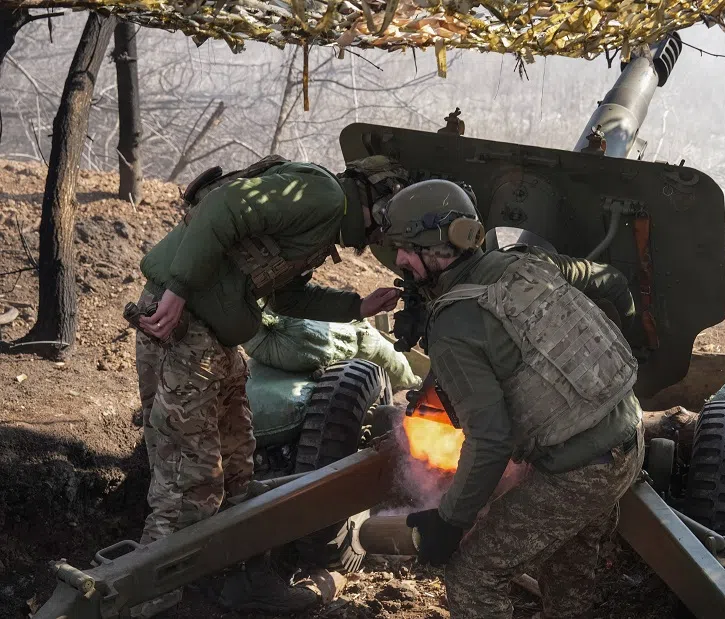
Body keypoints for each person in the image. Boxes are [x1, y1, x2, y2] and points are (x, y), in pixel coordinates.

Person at [129, 154, 408, 615]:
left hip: (215, 339)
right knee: (188, 488)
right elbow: (223, 208)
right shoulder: (321, 194)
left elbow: (284, 292)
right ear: (376, 201)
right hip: (183, 327)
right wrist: (177, 291)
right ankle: (149, 603)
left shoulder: (322, 223)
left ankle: (246, 583)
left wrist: (357, 307)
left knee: (238, 475)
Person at [378, 178, 645, 619]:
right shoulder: (526, 262)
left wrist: (448, 523)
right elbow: (609, 281)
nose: (399, 260)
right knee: (568, 566)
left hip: (578, 472)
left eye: (405, 248)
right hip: (627, 439)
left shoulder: (454, 325)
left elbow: (490, 440)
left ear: (434, 247)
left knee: (471, 580)